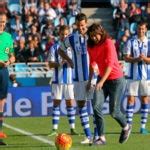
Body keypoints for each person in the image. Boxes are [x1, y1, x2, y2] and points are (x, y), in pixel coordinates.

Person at [86, 23, 131, 145]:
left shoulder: (108, 43)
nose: (93, 38)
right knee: (96, 106)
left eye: (95, 35)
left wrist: (100, 81)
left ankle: (126, 127)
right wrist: (90, 81)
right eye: (91, 36)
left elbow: (110, 65)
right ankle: (101, 137)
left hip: (117, 80)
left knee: (114, 111)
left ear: (101, 33)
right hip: (102, 79)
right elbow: (92, 64)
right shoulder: (90, 46)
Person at [58, 13, 92, 144]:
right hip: (77, 78)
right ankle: (88, 136)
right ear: (75, 25)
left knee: (95, 106)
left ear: (86, 24)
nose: (81, 28)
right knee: (81, 105)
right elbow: (60, 50)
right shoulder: (71, 38)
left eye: (83, 25)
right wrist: (69, 60)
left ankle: (99, 136)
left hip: (92, 77)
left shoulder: (92, 36)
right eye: (78, 25)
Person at [48, 25, 78, 136]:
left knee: (70, 103)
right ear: (59, 35)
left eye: (66, 34)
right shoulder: (54, 48)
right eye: (62, 34)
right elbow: (50, 64)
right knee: (56, 103)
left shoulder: (73, 48)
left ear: (69, 35)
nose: (64, 36)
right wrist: (60, 63)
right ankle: (54, 129)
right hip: (57, 80)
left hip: (70, 81)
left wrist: (71, 63)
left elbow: (77, 64)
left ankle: (72, 129)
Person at [124, 22, 150, 134]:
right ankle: (128, 126)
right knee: (131, 99)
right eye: (139, 28)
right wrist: (135, 59)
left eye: (143, 29)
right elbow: (125, 58)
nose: (141, 31)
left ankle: (142, 127)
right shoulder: (130, 41)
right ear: (136, 29)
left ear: (146, 30)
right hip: (132, 76)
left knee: (145, 99)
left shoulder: (149, 42)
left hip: (146, 76)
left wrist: (144, 59)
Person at [0, 12, 15, 145]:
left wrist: (9, 61)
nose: (2, 24)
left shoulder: (8, 37)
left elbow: (12, 55)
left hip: (4, 71)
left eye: (3, 22)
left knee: (2, 101)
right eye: (0, 21)